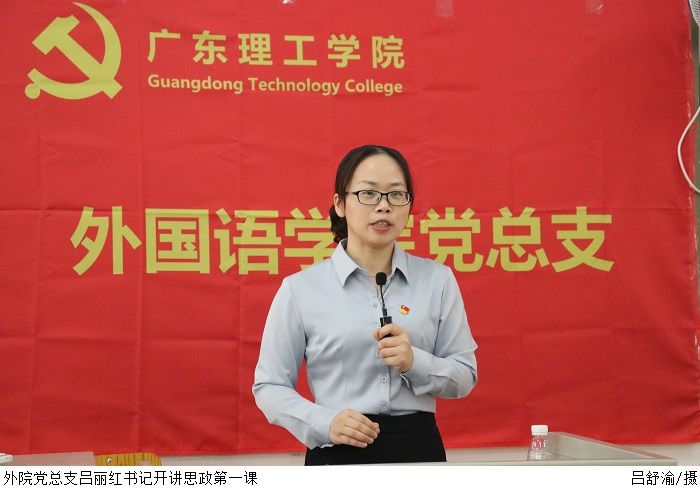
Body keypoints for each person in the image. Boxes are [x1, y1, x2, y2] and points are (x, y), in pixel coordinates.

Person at [252, 145, 478, 465]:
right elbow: (269, 386)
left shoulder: (437, 280)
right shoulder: (301, 289)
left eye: (396, 195)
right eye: (368, 193)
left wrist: (414, 362)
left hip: (417, 450)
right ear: (340, 204)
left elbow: (465, 376)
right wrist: (325, 422)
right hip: (337, 448)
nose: (383, 206)